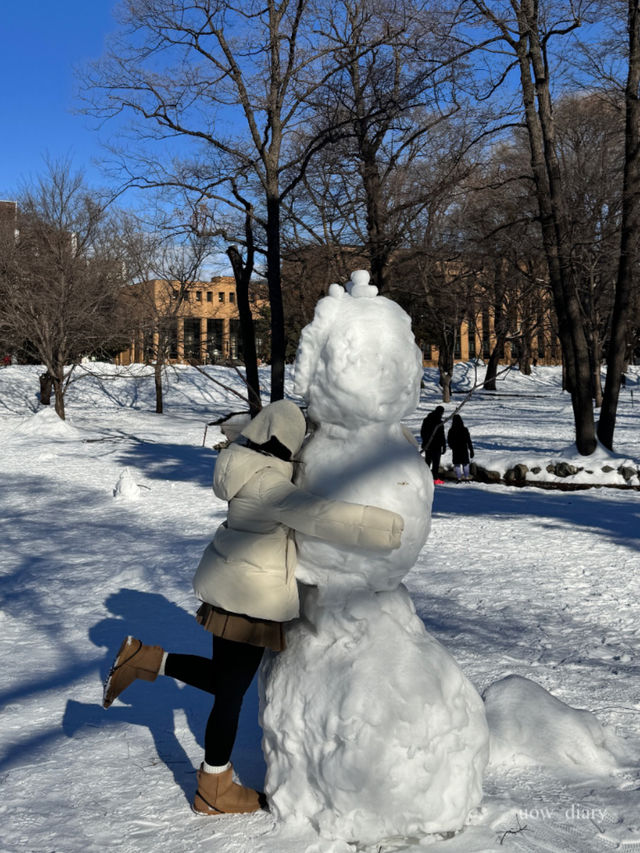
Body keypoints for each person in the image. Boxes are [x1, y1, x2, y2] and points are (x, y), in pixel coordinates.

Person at [102, 400, 404, 816]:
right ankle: (214, 788)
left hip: (232, 591)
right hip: (250, 600)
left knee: (226, 682)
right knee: (229, 696)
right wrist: (387, 526)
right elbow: (319, 515)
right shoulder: (270, 486)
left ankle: (145, 658)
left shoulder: (243, 469)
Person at [420, 406, 446, 484]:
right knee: (436, 462)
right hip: (436, 445)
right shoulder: (439, 422)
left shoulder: (426, 420)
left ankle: (425, 478)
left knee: (428, 461)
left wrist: (425, 442)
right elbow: (442, 435)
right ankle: (435, 478)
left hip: (428, 444)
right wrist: (443, 445)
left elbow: (422, 432)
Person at [447, 413, 474, 482]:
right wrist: (471, 450)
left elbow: (449, 440)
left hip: (456, 449)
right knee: (465, 463)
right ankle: (467, 477)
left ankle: (459, 478)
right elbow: (469, 440)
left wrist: (452, 446)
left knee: (457, 464)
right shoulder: (464, 429)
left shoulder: (451, 430)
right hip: (464, 449)